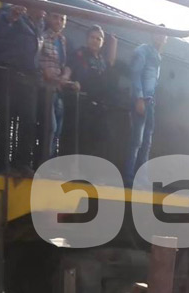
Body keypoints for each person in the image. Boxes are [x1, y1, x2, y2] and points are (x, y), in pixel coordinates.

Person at [0, 4, 45, 176]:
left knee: (28, 121)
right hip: (9, 74)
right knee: (5, 119)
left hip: (29, 78)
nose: (44, 7)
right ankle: (0, 164)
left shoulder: (39, 26)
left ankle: (22, 162)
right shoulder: (11, 16)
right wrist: (10, 18)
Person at [124, 30, 168, 185]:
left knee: (147, 141)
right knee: (137, 140)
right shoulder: (143, 50)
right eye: (158, 33)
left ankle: (141, 178)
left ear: (166, 40)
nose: (160, 37)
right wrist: (139, 98)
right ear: (152, 35)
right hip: (142, 100)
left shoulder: (157, 56)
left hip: (150, 102)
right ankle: (129, 177)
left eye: (163, 35)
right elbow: (135, 74)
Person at [69, 25, 117, 157]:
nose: (95, 41)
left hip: (99, 107)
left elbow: (110, 66)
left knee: (103, 140)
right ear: (87, 38)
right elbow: (70, 71)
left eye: (98, 39)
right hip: (82, 105)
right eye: (92, 37)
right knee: (83, 142)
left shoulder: (101, 60)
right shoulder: (79, 54)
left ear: (102, 42)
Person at [39, 12, 79, 157]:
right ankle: (43, 160)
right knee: (50, 127)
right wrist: (44, 71)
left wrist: (66, 77)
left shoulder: (63, 41)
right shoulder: (42, 36)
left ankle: (50, 160)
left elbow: (67, 64)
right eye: (55, 17)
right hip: (45, 88)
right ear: (48, 17)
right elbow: (36, 59)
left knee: (58, 129)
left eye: (62, 19)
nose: (59, 21)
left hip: (58, 89)